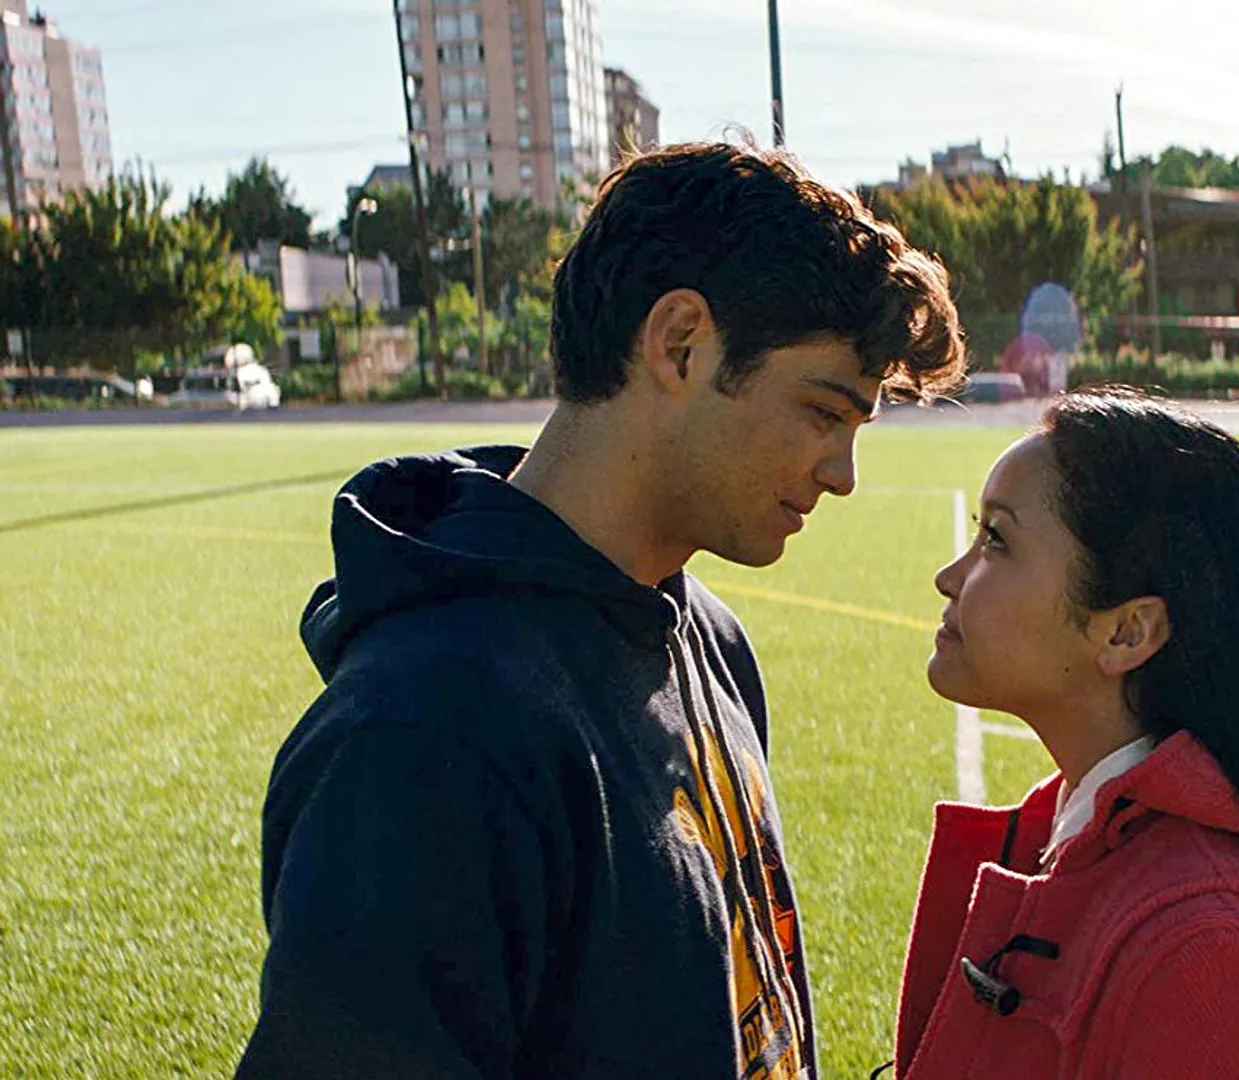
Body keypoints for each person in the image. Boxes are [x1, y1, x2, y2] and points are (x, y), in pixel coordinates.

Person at [237, 142, 963, 1079]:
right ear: (680, 343)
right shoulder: (420, 737)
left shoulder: (708, 637)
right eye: (824, 412)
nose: (843, 474)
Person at [892, 388, 1239, 1079]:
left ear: (1127, 632)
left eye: (997, 539)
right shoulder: (1075, 839)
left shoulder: (1211, 954)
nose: (949, 577)